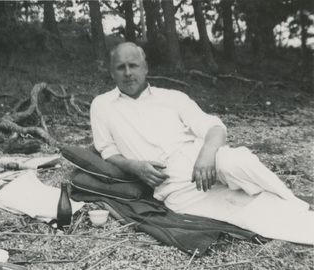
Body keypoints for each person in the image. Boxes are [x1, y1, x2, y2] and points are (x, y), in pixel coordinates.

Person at [90, 42, 314, 245]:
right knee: (245, 214)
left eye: (133, 65)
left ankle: (295, 203)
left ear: (145, 68)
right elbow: (107, 150)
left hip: (208, 160)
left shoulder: (172, 97)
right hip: (175, 186)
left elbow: (214, 127)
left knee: (235, 161)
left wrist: (207, 154)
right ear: (112, 72)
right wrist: (135, 167)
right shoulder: (102, 106)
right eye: (121, 67)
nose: (128, 73)